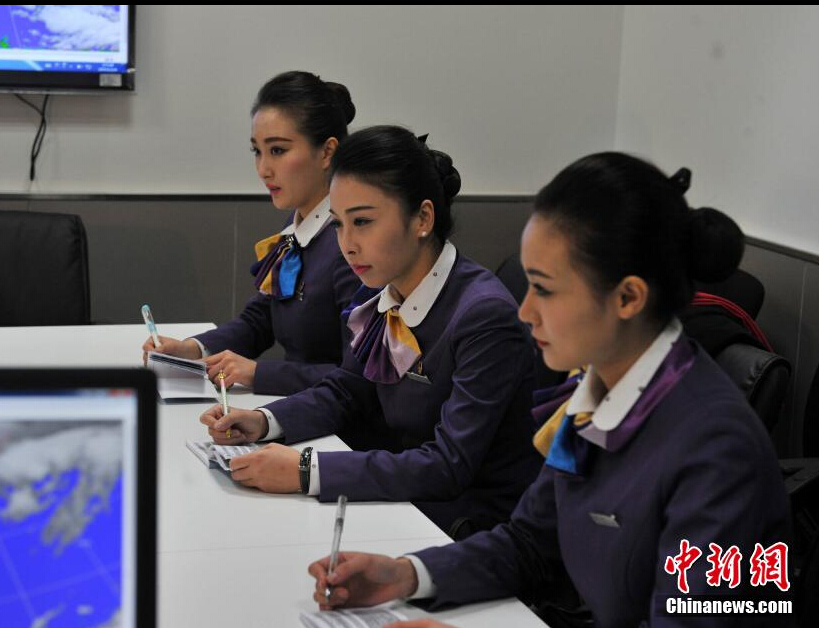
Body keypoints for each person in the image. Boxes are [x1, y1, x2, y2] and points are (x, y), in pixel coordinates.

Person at [306, 152, 793, 627]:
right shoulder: (595, 393)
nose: (525, 311)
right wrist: (407, 575)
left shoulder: (718, 450)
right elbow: (529, 543)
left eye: (545, 288)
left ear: (627, 297)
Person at [201, 126, 542, 538]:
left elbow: (447, 465)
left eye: (362, 222)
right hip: (404, 494)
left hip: (465, 523)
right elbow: (347, 389)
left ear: (422, 218)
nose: (347, 244)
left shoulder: (483, 315)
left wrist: (308, 469)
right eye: (339, 225)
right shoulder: (387, 288)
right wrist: (262, 420)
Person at [142, 71, 363, 395]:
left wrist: (259, 374)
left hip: (340, 430)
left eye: (277, 151)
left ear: (328, 151)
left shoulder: (350, 244)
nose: (263, 169)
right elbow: (260, 320)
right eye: (257, 152)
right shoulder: (298, 227)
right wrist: (191, 349)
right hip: (300, 408)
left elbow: (359, 379)